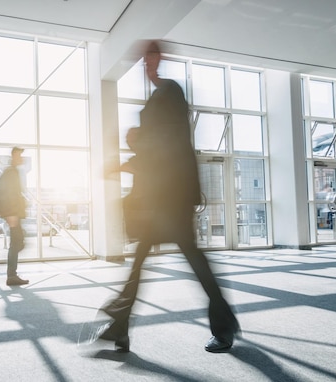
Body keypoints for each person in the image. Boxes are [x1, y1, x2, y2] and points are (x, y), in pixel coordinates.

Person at [98, 40, 240, 353]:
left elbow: (167, 144)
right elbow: (156, 144)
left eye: (150, 58)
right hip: (158, 197)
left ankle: (224, 324)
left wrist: (130, 155)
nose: (146, 65)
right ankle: (120, 327)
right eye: (143, 61)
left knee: (194, 260)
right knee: (141, 261)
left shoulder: (169, 92)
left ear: (159, 58)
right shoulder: (158, 99)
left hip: (171, 197)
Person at [0, 147, 29, 286]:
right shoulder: (11, 172)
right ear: (14, 156)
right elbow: (7, 194)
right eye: (20, 155)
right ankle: (11, 274)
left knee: (17, 243)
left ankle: (11, 273)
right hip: (13, 214)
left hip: (15, 213)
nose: (21, 158)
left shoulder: (13, 172)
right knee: (17, 243)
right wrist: (10, 214)